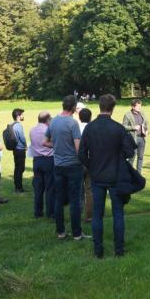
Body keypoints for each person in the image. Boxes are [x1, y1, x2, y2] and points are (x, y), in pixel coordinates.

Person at [78, 94, 136, 258]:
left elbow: (81, 154)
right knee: (118, 213)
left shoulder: (90, 128)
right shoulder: (118, 128)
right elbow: (130, 151)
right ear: (112, 108)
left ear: (100, 107)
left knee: (98, 214)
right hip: (115, 175)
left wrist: (92, 166)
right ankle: (119, 250)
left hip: (97, 176)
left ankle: (98, 251)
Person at [44, 95, 90, 240]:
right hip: (73, 166)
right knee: (75, 200)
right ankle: (77, 233)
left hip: (58, 165)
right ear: (73, 108)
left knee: (59, 199)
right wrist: (85, 161)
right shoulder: (72, 123)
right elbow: (78, 148)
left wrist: (57, 145)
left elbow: (45, 142)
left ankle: (61, 232)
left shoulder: (53, 122)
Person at [29, 112, 55, 218]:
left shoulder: (32, 130)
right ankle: (50, 212)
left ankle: (38, 212)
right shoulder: (48, 130)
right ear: (47, 120)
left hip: (37, 160)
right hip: (49, 160)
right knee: (50, 188)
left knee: (38, 188)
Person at [122, 99, 149, 174]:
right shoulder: (127, 115)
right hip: (133, 139)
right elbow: (123, 126)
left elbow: (147, 123)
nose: (140, 108)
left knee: (140, 157)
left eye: (140, 106)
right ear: (133, 107)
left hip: (142, 138)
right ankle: (129, 174)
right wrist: (133, 127)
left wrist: (147, 131)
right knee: (132, 158)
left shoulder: (142, 113)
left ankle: (138, 174)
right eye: (138, 106)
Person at [78, 107, 93, 223]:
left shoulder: (76, 128)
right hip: (90, 161)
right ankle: (89, 216)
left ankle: (77, 215)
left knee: (78, 190)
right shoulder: (93, 128)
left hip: (78, 161)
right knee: (89, 190)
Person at [10, 108, 28, 193]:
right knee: (20, 168)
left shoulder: (12, 125)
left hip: (15, 149)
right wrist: (26, 145)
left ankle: (17, 186)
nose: (23, 116)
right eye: (22, 115)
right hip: (20, 150)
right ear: (18, 116)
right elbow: (22, 138)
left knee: (17, 168)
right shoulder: (18, 125)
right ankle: (19, 188)